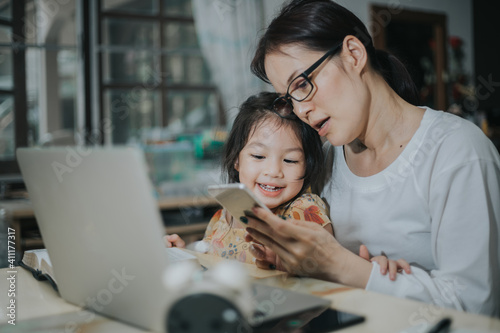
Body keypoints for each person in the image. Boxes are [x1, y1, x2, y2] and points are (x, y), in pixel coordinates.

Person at [244, 0, 500, 316]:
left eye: (302, 84)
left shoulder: (457, 151)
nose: (301, 110)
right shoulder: (325, 159)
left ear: (353, 54)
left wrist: (351, 269)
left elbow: (475, 306)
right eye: (288, 99)